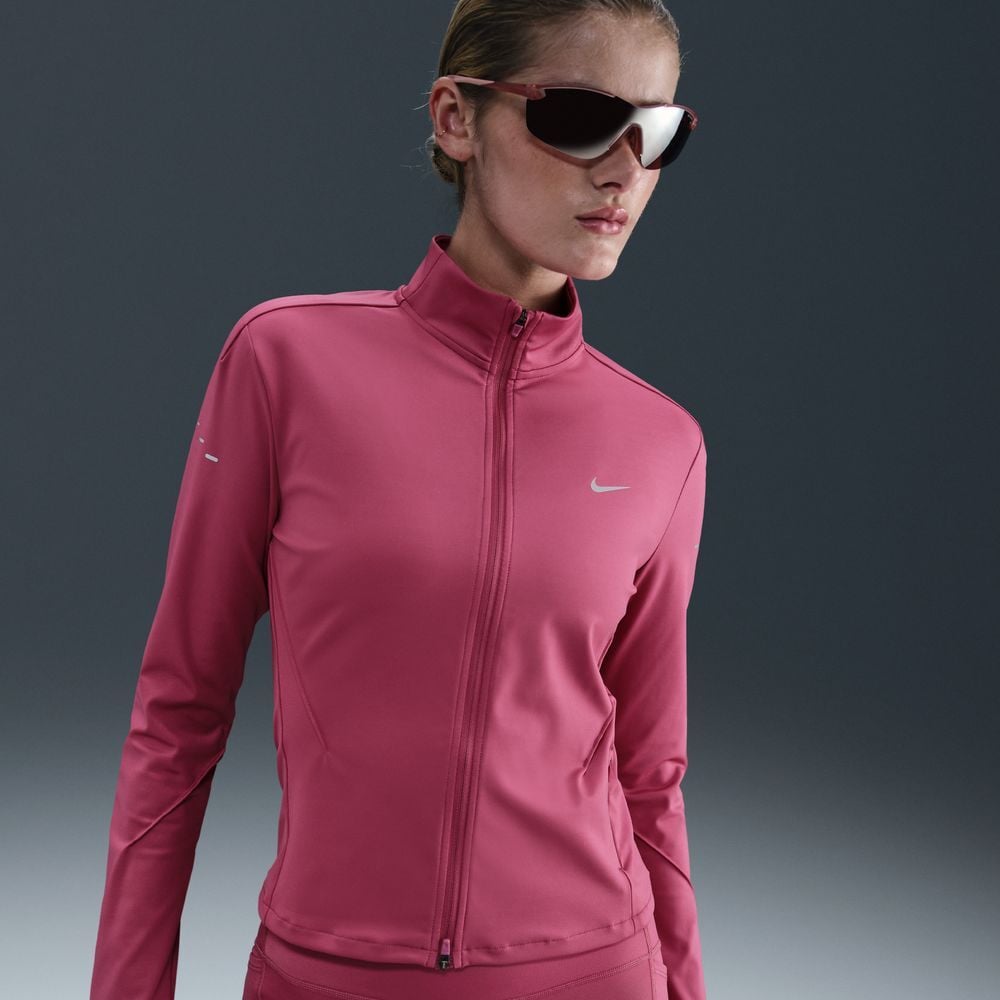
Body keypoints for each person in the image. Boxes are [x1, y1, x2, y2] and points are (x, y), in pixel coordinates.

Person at [88, 1, 709, 998]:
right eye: (582, 117)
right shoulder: (285, 364)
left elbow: (650, 773)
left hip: (595, 968)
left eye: (657, 130)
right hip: (330, 972)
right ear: (456, 118)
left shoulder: (662, 442)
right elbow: (178, 717)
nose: (623, 169)